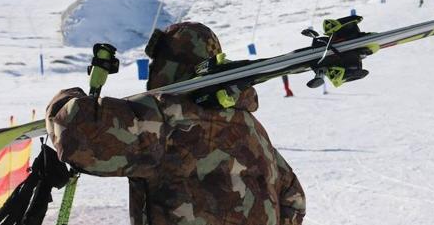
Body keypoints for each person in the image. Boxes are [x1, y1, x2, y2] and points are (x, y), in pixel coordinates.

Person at [46, 22, 306, 225]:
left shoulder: (165, 118)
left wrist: (66, 100)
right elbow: (294, 199)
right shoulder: (251, 127)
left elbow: (77, 128)